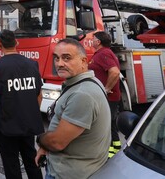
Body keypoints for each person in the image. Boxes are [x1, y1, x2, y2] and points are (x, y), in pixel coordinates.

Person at [35, 38, 110, 179]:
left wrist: (40, 140)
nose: (59, 64)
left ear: (83, 61)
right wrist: (45, 148)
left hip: (67, 174)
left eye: (66, 58)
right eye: (56, 58)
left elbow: (57, 142)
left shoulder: (82, 94)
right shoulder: (85, 82)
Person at [0, 30, 43, 179]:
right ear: (16, 43)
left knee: (11, 162)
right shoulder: (32, 65)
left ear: (0, 44)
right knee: (31, 158)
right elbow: (39, 95)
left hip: (6, 123)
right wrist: (31, 111)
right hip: (28, 121)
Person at [89, 31, 122, 158]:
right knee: (110, 122)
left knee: (104, 124)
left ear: (98, 42)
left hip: (108, 97)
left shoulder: (104, 54)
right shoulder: (102, 53)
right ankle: (116, 146)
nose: (91, 41)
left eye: (93, 39)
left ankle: (107, 152)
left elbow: (114, 72)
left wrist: (105, 89)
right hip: (108, 96)